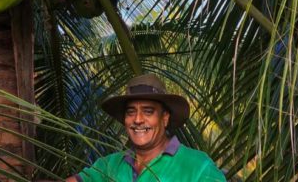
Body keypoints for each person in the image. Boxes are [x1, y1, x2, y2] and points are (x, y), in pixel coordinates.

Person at [65, 74, 227, 181]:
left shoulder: (197, 166)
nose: (138, 119)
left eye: (148, 111)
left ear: (165, 118)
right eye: (131, 112)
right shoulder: (110, 165)